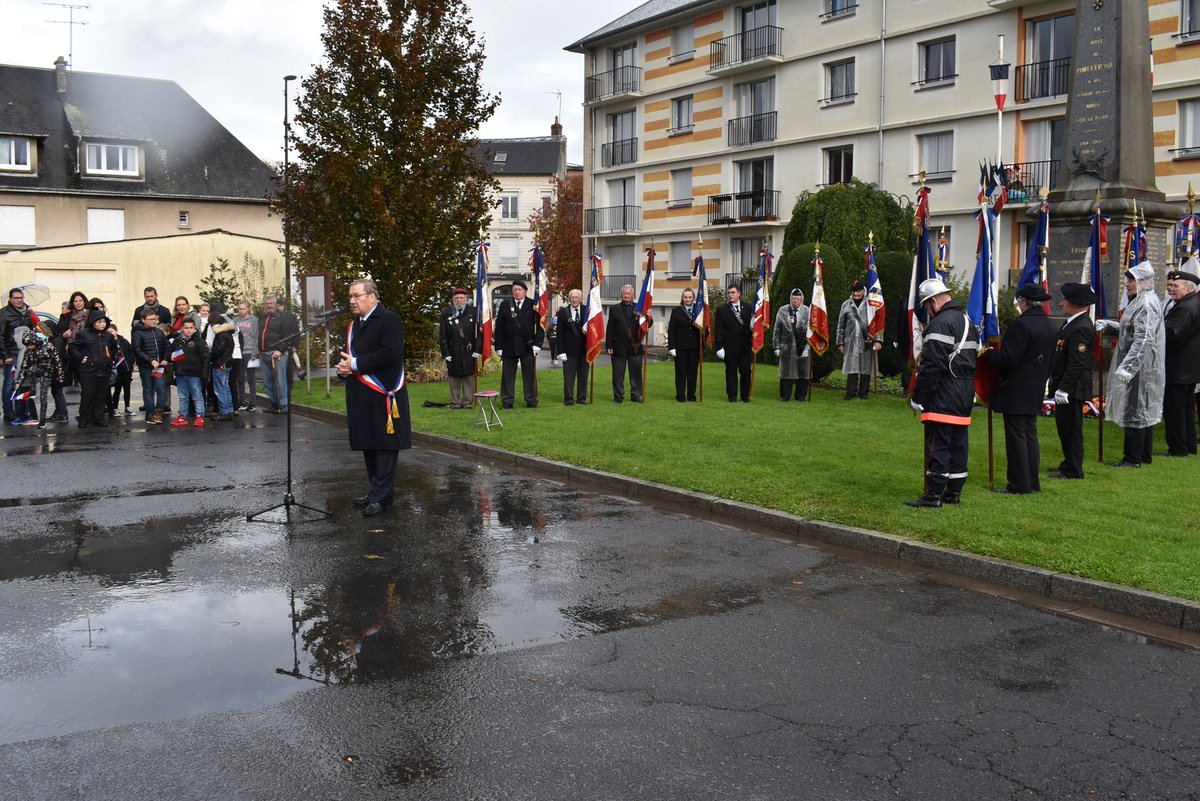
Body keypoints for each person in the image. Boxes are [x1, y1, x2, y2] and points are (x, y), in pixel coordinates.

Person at [335, 279, 412, 517]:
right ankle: (378, 492)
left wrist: (355, 364)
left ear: (372, 297)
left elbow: (390, 354)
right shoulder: (354, 325)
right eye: (350, 297)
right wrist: (343, 369)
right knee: (368, 443)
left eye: (356, 296)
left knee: (385, 446)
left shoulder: (390, 320)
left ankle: (380, 495)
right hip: (361, 395)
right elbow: (349, 357)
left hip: (383, 392)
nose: (351, 301)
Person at [906, 278, 979, 508]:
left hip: (943, 393)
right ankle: (953, 492)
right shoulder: (968, 322)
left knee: (938, 443)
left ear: (935, 302)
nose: (927, 311)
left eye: (927, 306)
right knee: (958, 444)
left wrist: (919, 397)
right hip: (964, 392)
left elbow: (931, 366)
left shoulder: (940, 324)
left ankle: (933, 494)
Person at [980, 284, 1056, 493]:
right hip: (1034, 387)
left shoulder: (1022, 325)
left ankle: (1019, 484)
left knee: (1016, 439)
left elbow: (1008, 358)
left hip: (1016, 388)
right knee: (1029, 435)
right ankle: (1031, 482)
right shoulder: (1049, 324)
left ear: (1024, 302)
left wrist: (987, 354)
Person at [1096, 261, 1166, 468]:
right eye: (1127, 280)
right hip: (1142, 366)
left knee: (1136, 410)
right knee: (1143, 409)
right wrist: (1109, 325)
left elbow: (1144, 339)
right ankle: (1144, 454)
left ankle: (1132, 458)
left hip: (1141, 368)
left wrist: (1129, 367)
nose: (1127, 284)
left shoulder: (1145, 303)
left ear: (1144, 282)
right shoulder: (1139, 301)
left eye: (1131, 280)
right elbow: (1130, 329)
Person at [1047, 282, 1097, 480]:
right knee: (1065, 427)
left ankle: (1074, 469)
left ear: (1076, 303)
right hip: (1067, 384)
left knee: (1072, 429)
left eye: (1065, 300)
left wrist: (1064, 389)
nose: (1061, 304)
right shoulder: (1073, 322)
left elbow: (1077, 362)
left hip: (1073, 387)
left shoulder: (1081, 327)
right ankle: (1068, 463)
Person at [1162, 268, 1200, 456]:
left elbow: (1172, 334)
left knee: (1175, 409)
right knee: (1185, 409)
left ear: (1189, 288)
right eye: (1170, 285)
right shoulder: (1190, 303)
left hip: (1179, 366)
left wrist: (1156, 330)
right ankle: (1189, 446)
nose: (1171, 289)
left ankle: (1177, 448)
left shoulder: (1186, 306)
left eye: (1176, 286)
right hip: (1187, 367)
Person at [492, 280, 543, 409]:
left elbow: (540, 325)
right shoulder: (505, 305)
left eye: (519, 290)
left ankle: (531, 400)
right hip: (509, 346)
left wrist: (537, 343)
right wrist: (499, 346)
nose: (517, 292)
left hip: (528, 346)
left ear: (525, 291)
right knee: (508, 376)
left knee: (529, 376)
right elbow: (499, 327)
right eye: (514, 290)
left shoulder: (533, 305)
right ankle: (507, 401)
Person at [70, 309, 117, 428]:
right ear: (92, 322)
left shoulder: (108, 336)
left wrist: (111, 360)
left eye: (104, 322)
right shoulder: (84, 334)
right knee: (88, 395)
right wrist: (81, 358)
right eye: (99, 322)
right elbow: (72, 348)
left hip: (104, 370)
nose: (102, 324)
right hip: (88, 370)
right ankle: (84, 418)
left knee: (101, 396)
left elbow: (113, 349)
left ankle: (98, 417)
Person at [837, 280, 881, 400]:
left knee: (865, 367)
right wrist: (840, 342)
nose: (855, 294)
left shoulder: (871, 304)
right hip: (850, 341)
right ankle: (850, 392)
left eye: (858, 291)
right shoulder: (846, 304)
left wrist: (878, 340)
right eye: (854, 291)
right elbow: (841, 325)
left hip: (867, 340)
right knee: (852, 367)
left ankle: (864, 393)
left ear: (863, 291)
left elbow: (878, 323)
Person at [438, 287, 480, 409]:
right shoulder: (446, 313)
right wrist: (446, 353)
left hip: (469, 350)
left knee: (468, 376)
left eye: (461, 298)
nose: (459, 300)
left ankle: (467, 402)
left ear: (466, 299)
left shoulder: (474, 311)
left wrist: (477, 349)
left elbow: (479, 333)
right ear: (453, 299)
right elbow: (443, 335)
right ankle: (455, 402)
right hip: (453, 350)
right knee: (454, 377)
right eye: (456, 298)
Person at [605, 284, 648, 404]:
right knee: (618, 374)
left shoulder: (639, 308)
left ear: (633, 295)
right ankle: (618, 396)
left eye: (629, 293)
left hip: (636, 346)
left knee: (636, 374)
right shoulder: (614, 309)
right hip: (618, 346)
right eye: (624, 293)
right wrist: (609, 346)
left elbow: (647, 324)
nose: (626, 295)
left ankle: (635, 395)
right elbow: (610, 328)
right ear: (621, 295)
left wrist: (648, 315)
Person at [260, 294, 300, 414]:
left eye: (271, 303)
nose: (269, 306)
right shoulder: (262, 318)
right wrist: (258, 347)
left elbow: (287, 336)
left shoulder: (283, 318)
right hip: (263, 353)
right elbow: (260, 334)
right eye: (266, 304)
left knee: (280, 380)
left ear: (275, 304)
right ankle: (273, 404)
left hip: (278, 354)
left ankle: (283, 405)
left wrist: (280, 350)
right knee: (267, 381)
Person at [14, 331, 63, 428]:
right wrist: (18, 382)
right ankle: (32, 391)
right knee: (30, 377)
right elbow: (25, 366)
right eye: (27, 345)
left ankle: (42, 421)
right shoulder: (29, 351)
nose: (29, 347)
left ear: (34, 341)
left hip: (47, 373)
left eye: (30, 344)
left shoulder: (49, 347)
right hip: (35, 372)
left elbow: (57, 361)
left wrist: (60, 376)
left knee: (43, 397)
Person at [1, 286, 36, 423]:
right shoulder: (4, 313)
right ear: (10, 299)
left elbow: (31, 331)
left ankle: (21, 412)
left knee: (24, 383)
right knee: (10, 384)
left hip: (26, 353)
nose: (19, 300)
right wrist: (6, 356)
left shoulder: (27, 312)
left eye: (21, 298)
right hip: (13, 353)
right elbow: (1, 336)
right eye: (16, 298)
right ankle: (8, 412)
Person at [714, 284, 753, 402]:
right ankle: (732, 396)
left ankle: (745, 396)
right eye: (729, 293)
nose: (730, 295)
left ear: (739, 294)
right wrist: (719, 347)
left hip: (745, 347)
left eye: (732, 292)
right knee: (731, 372)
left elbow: (753, 326)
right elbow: (719, 330)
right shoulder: (722, 310)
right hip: (730, 347)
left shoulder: (748, 307)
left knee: (746, 372)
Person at [132, 308, 171, 424]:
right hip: (146, 367)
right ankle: (150, 413)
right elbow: (136, 350)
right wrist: (150, 361)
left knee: (161, 388)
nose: (154, 321)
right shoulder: (138, 333)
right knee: (148, 389)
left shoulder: (159, 332)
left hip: (159, 367)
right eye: (151, 319)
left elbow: (167, 347)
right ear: (143, 320)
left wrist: (165, 359)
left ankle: (159, 412)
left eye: (156, 319)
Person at [169, 318, 209, 427]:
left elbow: (206, 358)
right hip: (181, 373)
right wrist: (170, 357)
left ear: (195, 328)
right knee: (183, 396)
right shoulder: (177, 341)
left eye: (191, 328)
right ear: (182, 329)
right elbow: (170, 354)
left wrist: (205, 374)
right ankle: (183, 416)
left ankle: (200, 416)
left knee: (197, 395)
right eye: (186, 328)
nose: (189, 330)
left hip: (195, 374)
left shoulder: (200, 341)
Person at [551, 288, 589, 405]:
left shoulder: (587, 311)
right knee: (568, 377)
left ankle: (581, 398)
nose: (574, 299)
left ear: (580, 299)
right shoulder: (563, 313)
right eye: (572, 297)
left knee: (583, 376)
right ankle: (569, 399)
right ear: (569, 299)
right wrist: (560, 352)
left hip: (584, 350)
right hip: (568, 351)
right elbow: (560, 334)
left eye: (576, 297)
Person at [773, 288, 810, 401]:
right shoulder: (783, 311)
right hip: (786, 347)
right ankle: (785, 396)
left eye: (797, 299)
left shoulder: (808, 311)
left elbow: (812, 331)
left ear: (801, 299)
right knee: (785, 373)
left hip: (803, 347)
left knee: (803, 373)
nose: (795, 301)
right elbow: (777, 330)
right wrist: (776, 346)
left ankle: (800, 396)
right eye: (793, 298)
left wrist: (808, 347)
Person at [667, 288, 702, 403]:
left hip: (694, 346)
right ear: (682, 298)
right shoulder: (676, 311)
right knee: (681, 373)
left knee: (692, 372)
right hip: (680, 347)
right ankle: (680, 396)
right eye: (685, 297)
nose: (687, 299)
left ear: (694, 298)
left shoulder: (699, 310)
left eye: (690, 297)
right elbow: (671, 330)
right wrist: (671, 347)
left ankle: (691, 396)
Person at [207, 304, 237, 421]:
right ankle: (228, 410)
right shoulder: (228, 334)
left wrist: (209, 356)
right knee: (225, 387)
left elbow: (217, 350)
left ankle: (224, 411)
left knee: (220, 388)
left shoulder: (221, 336)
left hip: (220, 364)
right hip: (226, 363)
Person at [234, 301, 260, 411]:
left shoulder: (254, 321)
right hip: (239, 352)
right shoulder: (235, 320)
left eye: (243, 309)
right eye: (239, 309)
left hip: (249, 352)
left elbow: (256, 337)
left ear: (248, 309)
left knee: (251, 378)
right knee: (240, 378)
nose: (241, 311)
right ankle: (242, 401)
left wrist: (254, 352)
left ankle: (253, 402)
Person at [106, 321, 135, 417]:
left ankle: (127, 406)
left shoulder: (124, 341)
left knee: (127, 389)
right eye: (108, 332)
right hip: (116, 371)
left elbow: (131, 352)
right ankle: (115, 407)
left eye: (112, 331)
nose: (111, 333)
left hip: (126, 370)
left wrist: (130, 363)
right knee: (117, 390)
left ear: (116, 331)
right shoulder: (108, 343)